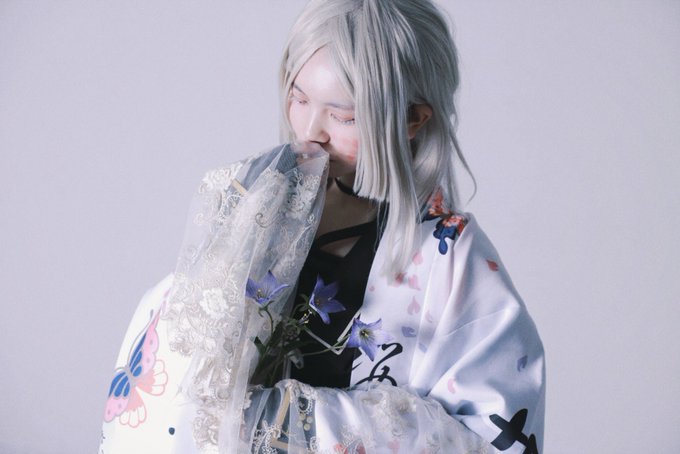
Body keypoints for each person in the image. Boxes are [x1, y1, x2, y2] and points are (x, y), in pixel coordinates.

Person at [100, 1, 545, 453]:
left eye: (343, 116)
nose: (310, 130)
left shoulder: (452, 261)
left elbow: (495, 438)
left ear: (413, 118)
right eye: (299, 98)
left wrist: (283, 421)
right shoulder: (257, 208)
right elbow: (167, 387)